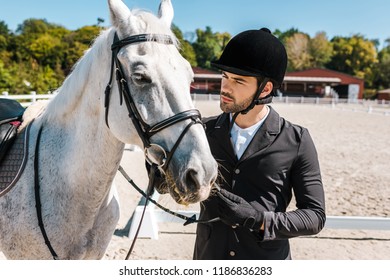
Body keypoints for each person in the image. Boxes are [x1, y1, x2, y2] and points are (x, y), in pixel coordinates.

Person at [192, 28, 326, 260]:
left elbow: (314, 216)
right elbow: (166, 184)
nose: (225, 87)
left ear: (265, 88)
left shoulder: (297, 140)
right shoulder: (202, 131)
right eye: (224, 76)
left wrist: (258, 220)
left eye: (238, 80)